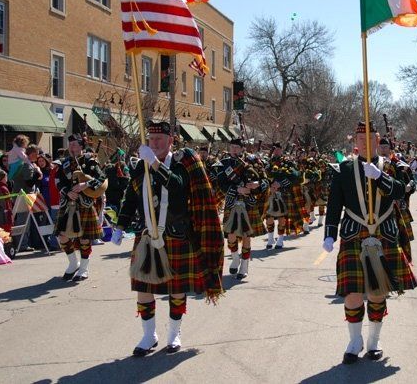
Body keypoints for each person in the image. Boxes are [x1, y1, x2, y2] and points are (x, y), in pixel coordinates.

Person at [112, 121, 224, 356]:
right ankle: (148, 335)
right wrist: (120, 225)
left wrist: (153, 163)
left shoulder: (182, 164)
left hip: (175, 235)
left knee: (177, 289)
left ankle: (174, 334)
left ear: (170, 141)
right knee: (144, 288)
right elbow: (131, 197)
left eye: (159, 140)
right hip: (146, 236)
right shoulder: (140, 166)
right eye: (151, 140)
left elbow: (176, 186)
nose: (154, 144)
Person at [323, 122, 417, 364]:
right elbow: (335, 204)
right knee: (352, 294)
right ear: (354, 142)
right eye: (360, 138)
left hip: (384, 235)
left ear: (377, 140)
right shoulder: (343, 169)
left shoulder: (392, 167)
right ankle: (355, 342)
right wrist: (330, 233)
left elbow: (400, 192)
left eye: (370, 138)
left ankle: (374, 341)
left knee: (377, 293)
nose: (365, 143)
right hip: (354, 236)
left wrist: (380, 178)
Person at [54, 134, 106, 281]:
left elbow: (102, 178)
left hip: (85, 203)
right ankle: (73, 263)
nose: (72, 147)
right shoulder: (63, 163)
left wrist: (86, 184)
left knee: (85, 238)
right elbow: (58, 181)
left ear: (81, 146)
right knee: (62, 236)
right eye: (70, 144)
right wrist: (67, 192)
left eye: (75, 145)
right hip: (68, 203)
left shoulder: (90, 161)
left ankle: (84, 268)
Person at [217, 138, 268, 279]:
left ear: (241, 148)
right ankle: (235, 258)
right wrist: (237, 189)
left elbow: (265, 180)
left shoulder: (252, 161)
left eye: (236, 147)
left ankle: (244, 265)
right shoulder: (223, 163)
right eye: (231, 146)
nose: (233, 149)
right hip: (232, 202)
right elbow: (220, 183)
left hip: (249, 203)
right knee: (231, 235)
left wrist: (257, 185)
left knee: (246, 236)